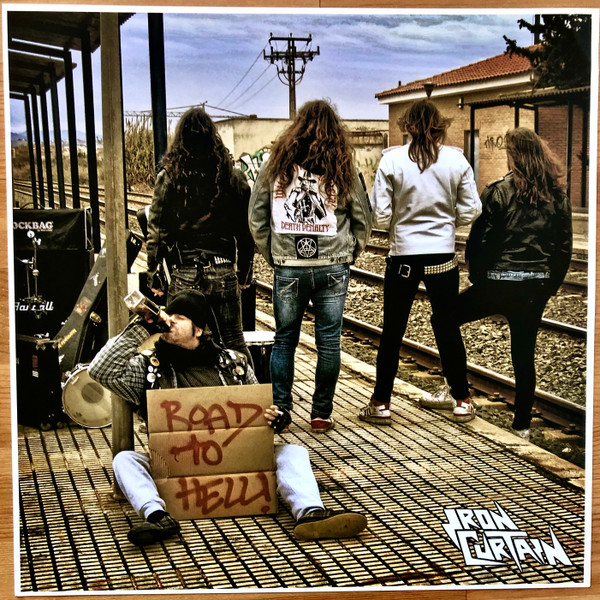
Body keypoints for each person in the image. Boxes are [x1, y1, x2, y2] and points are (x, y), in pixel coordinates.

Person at [88, 289, 368, 546]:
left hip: (235, 464)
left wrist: (276, 419)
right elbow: (101, 370)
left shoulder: (233, 363)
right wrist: (142, 328)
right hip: (177, 467)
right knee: (124, 460)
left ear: (198, 329)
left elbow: (259, 414)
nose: (170, 321)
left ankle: (310, 513)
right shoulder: (150, 368)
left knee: (293, 452)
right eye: (168, 315)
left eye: (180, 317)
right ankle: (157, 516)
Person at [248, 99, 373, 433]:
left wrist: (274, 255)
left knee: (284, 339)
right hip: (333, 264)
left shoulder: (275, 164)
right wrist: (349, 252)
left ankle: (281, 410)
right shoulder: (342, 164)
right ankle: (321, 414)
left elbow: (256, 216)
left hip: (289, 265)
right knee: (329, 341)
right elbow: (363, 218)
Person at [358, 99, 481, 426]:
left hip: (403, 259)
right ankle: (462, 400)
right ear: (440, 126)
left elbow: (380, 216)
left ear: (408, 127)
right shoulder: (456, 160)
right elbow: (472, 209)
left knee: (393, 330)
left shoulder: (392, 160)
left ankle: (381, 403)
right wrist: (447, 223)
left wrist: (401, 223)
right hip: (443, 258)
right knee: (448, 326)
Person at [456, 127, 572, 438]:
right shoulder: (558, 196)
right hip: (534, 288)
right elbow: (563, 249)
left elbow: (480, 242)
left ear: (514, 156)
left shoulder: (497, 191)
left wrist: (480, 279)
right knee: (524, 354)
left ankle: (457, 392)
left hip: (497, 284)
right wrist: (547, 288)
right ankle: (522, 426)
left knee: (444, 317)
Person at [145, 107, 254, 365]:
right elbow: (245, 232)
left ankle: (186, 389)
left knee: (177, 343)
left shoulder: (169, 177)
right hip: (223, 272)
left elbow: (157, 230)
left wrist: (153, 272)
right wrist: (244, 274)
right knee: (233, 341)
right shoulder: (233, 177)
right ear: (213, 137)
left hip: (184, 273)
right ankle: (248, 387)